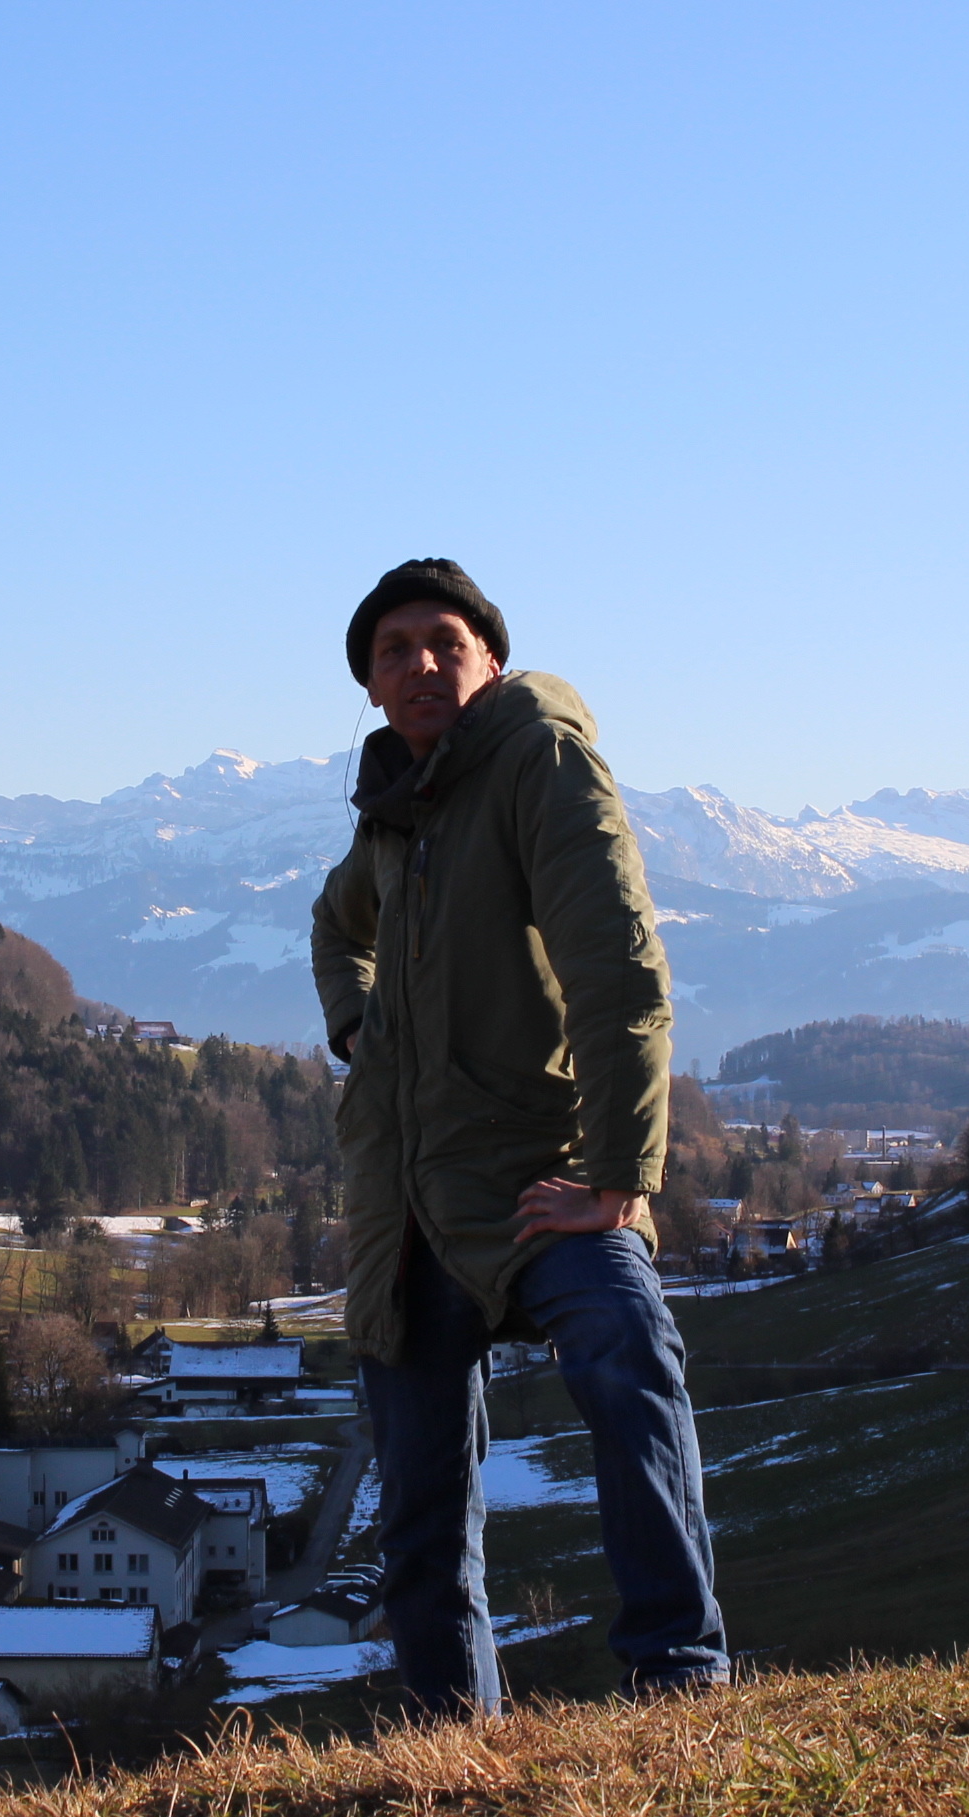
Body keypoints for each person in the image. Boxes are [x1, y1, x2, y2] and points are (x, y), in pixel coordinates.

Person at [310, 557, 728, 1711]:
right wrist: (357, 1026)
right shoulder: (395, 813)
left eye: (445, 641)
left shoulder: (537, 757)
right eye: (394, 651)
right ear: (371, 687)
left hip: (541, 1177)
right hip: (404, 1203)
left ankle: (680, 1678)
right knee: (419, 1514)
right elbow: (335, 927)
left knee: (628, 1351)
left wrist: (619, 1176)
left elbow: (617, 966)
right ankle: (456, 1746)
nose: (421, 663)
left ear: (490, 660)